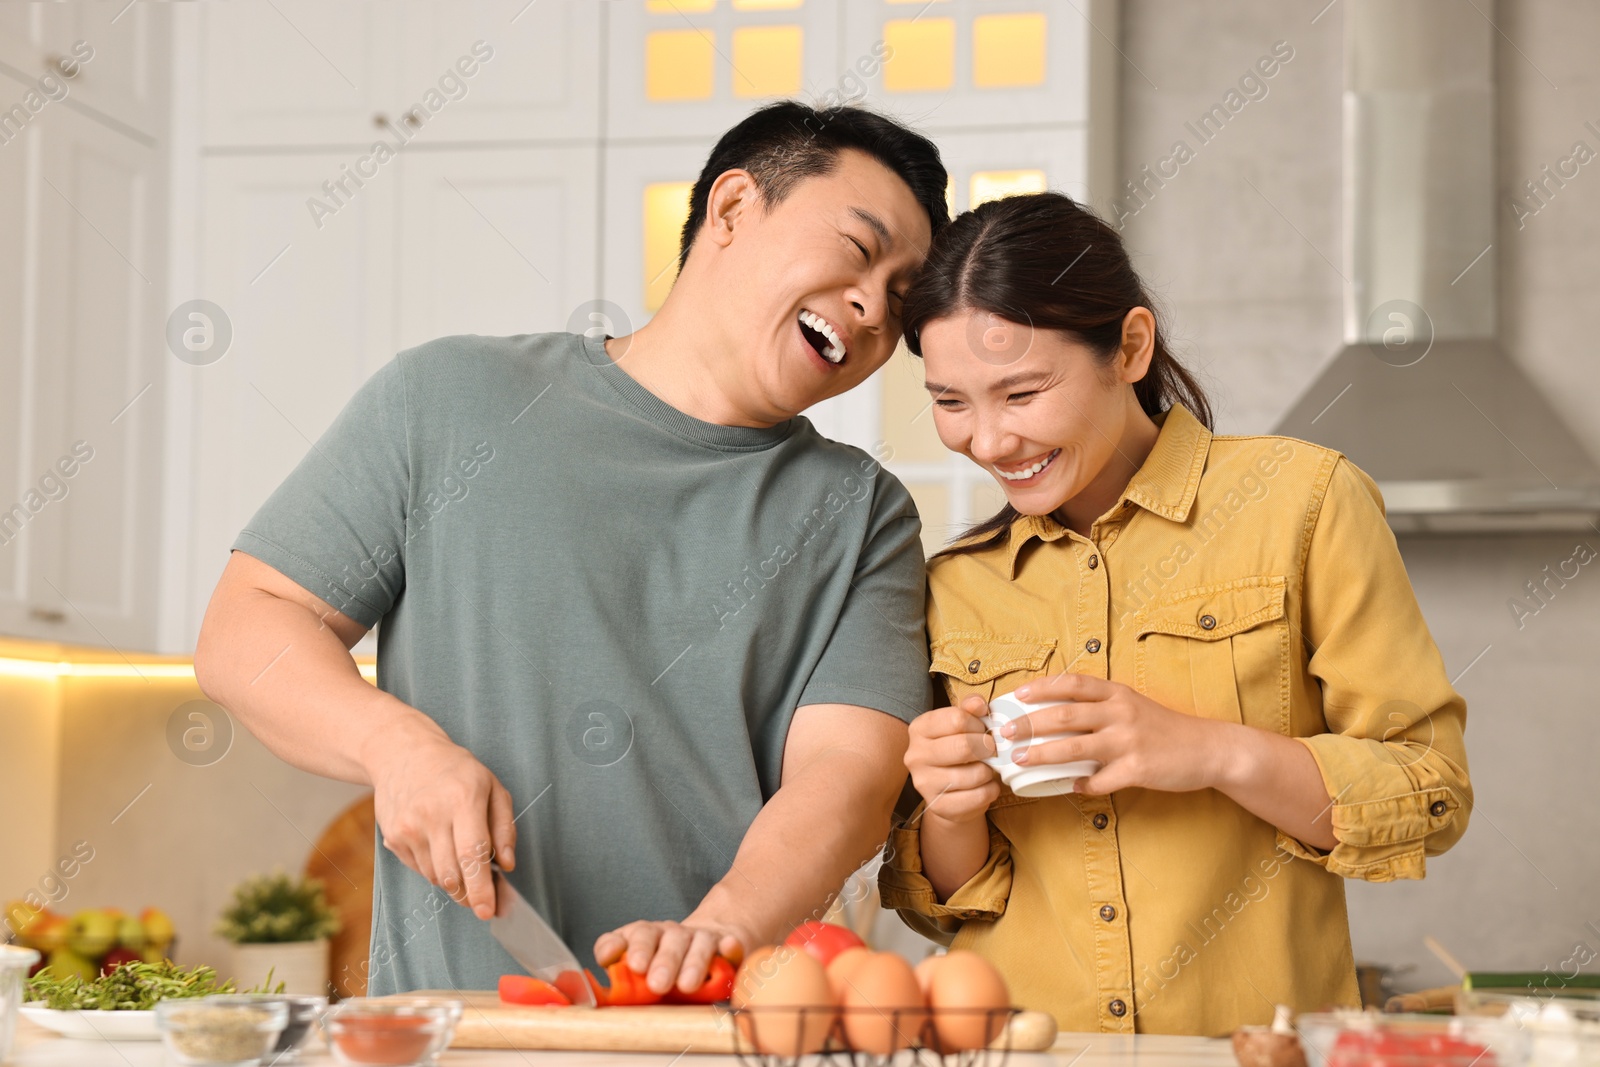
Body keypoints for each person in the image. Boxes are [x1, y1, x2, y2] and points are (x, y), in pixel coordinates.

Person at [194, 101, 948, 997]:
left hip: (712, 1040)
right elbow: (248, 627)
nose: (873, 308)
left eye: (902, 299)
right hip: (458, 1045)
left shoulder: (862, 513)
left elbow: (848, 774)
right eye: (860, 253)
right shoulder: (449, 399)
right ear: (734, 208)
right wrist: (395, 746)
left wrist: (720, 930)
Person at [878, 192, 1471, 1035]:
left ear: (1129, 346)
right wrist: (950, 807)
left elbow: (1431, 791)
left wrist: (1207, 750)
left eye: (1020, 393)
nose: (989, 440)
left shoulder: (1302, 502)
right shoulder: (955, 583)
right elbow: (943, 906)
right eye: (951, 402)